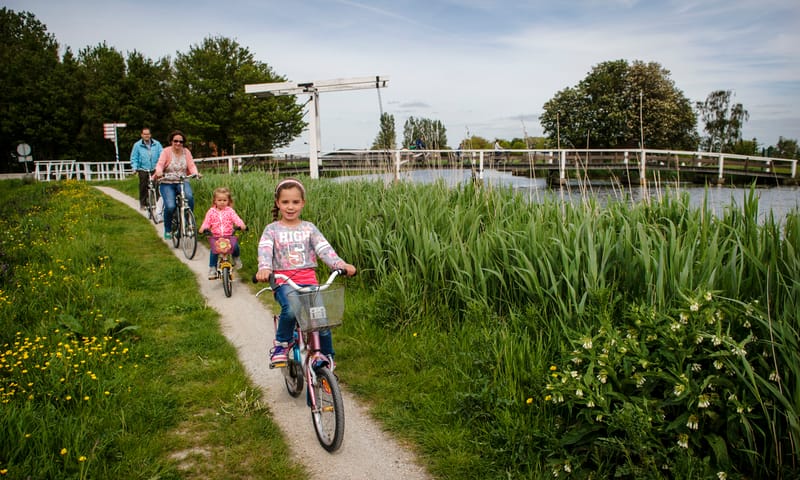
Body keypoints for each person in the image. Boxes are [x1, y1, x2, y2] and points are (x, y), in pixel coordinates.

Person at [255, 178, 356, 369]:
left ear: (303, 203)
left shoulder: (309, 228)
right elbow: (265, 250)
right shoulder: (272, 230)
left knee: (321, 322)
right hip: (284, 282)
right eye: (285, 202)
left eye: (295, 202)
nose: (290, 207)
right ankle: (281, 344)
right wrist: (264, 268)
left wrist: (340, 264)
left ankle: (324, 358)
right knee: (291, 310)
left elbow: (324, 249)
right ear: (278, 203)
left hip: (309, 281)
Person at [153, 130, 200, 240]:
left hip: (181, 181)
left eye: (181, 141)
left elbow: (191, 165)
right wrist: (159, 172)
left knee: (189, 197)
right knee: (170, 206)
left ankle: (188, 222)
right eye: (175, 141)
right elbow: (160, 164)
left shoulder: (186, 152)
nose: (178, 143)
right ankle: (168, 229)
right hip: (167, 182)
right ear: (171, 141)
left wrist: (196, 173)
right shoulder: (166, 151)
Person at [199, 187, 247, 280]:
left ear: (228, 201)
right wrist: (203, 228)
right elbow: (207, 222)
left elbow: (236, 219)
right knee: (214, 251)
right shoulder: (211, 212)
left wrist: (241, 225)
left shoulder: (230, 211)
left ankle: (236, 258)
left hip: (228, 235)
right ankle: (212, 268)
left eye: (224, 200)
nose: (222, 202)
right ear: (215, 201)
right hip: (216, 237)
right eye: (219, 200)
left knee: (235, 246)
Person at [129, 128, 163, 209]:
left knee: (158, 184)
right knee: (143, 185)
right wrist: (134, 168)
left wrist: (161, 167)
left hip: (155, 168)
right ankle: (143, 203)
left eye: (148, 134)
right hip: (143, 168)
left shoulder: (157, 144)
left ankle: (159, 204)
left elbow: (162, 155)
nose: (146, 136)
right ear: (142, 135)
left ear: (150, 135)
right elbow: (134, 158)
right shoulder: (137, 145)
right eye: (144, 134)